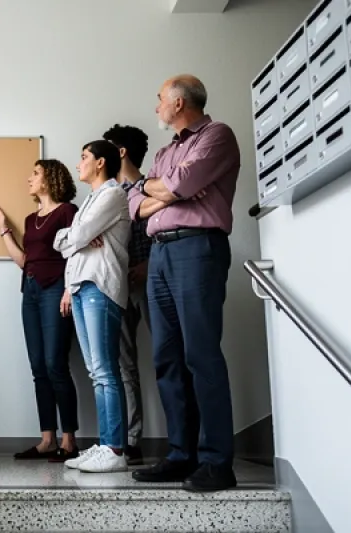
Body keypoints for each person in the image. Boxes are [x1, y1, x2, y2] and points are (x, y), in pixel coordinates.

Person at [128, 75, 240, 492]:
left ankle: (216, 462)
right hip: (160, 254)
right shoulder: (164, 152)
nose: (156, 106)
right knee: (167, 358)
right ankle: (181, 455)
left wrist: (162, 188)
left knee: (201, 355)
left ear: (178, 102)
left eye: (160, 99)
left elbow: (181, 184)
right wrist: (155, 189)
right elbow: (135, 203)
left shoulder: (217, 135)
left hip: (198, 249)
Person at [0, 159, 81, 463]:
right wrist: (4, 231)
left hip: (55, 288)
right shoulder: (30, 220)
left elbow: (76, 253)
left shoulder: (68, 211)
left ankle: (69, 441)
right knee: (38, 366)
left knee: (56, 363)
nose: (29, 178)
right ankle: (47, 440)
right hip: (29, 290)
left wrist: (69, 289)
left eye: (35, 173)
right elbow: (24, 260)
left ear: (50, 178)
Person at [54, 140, 131, 474]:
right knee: (95, 372)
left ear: (100, 162)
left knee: (105, 371)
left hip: (100, 286)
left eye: (84, 157)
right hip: (81, 286)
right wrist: (77, 239)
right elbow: (64, 241)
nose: (78, 163)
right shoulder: (90, 200)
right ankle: (105, 444)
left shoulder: (113, 194)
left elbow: (77, 235)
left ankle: (115, 449)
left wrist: (77, 238)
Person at [102, 124, 152, 465]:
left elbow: (164, 230)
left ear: (120, 152)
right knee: (123, 365)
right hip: (116, 285)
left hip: (152, 282)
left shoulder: (153, 187)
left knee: (169, 358)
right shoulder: (106, 195)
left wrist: (149, 264)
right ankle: (130, 441)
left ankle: (185, 443)